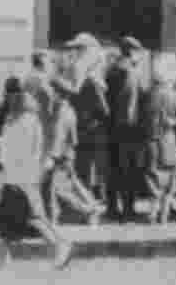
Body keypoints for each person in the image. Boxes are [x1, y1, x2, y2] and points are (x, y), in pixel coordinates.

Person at [0, 78, 74, 269]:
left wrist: (1, 150)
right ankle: (2, 256)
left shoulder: (20, 122)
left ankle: (61, 246)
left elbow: (14, 149)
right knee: (6, 217)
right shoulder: (27, 120)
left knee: (34, 217)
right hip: (19, 175)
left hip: (20, 177)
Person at [44, 68, 103, 227]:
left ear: (58, 93)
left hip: (61, 155)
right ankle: (91, 207)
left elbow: (58, 136)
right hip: (68, 153)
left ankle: (87, 210)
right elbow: (72, 137)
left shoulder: (61, 112)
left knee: (58, 189)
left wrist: (51, 156)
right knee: (73, 184)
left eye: (53, 90)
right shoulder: (67, 109)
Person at [105, 36, 148, 222]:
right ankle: (127, 210)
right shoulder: (129, 71)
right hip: (129, 127)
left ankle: (113, 207)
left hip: (114, 125)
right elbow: (132, 100)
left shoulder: (113, 69)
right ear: (131, 51)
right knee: (129, 168)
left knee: (114, 167)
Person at [66, 33, 111, 207]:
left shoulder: (79, 70)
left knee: (84, 163)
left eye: (78, 49)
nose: (75, 52)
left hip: (82, 124)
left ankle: (87, 196)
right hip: (93, 125)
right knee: (94, 162)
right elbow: (103, 108)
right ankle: (93, 196)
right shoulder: (92, 78)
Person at [143, 53, 176, 225]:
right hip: (169, 140)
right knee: (170, 180)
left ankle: (152, 213)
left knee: (153, 178)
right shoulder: (174, 95)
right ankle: (164, 214)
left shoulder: (149, 94)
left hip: (151, 140)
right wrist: (172, 121)